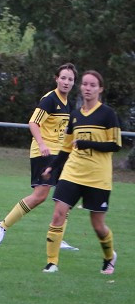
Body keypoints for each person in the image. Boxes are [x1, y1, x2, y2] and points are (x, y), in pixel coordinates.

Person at [41, 70, 122, 274]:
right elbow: (67, 147)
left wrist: (87, 143)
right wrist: (53, 166)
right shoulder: (75, 116)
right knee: (58, 214)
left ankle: (109, 256)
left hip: (97, 176)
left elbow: (115, 145)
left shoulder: (107, 114)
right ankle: (52, 262)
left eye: (92, 85)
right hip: (72, 173)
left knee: (98, 225)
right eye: (85, 84)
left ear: (100, 89)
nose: (87, 88)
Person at [0, 63, 78, 248]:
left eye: (70, 79)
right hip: (44, 153)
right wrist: (42, 143)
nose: (66, 82)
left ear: (73, 83)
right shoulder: (50, 99)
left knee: (65, 197)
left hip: (60, 155)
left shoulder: (68, 104)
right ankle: (2, 225)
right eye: (63, 78)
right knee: (40, 196)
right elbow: (33, 122)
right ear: (56, 79)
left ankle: (57, 237)